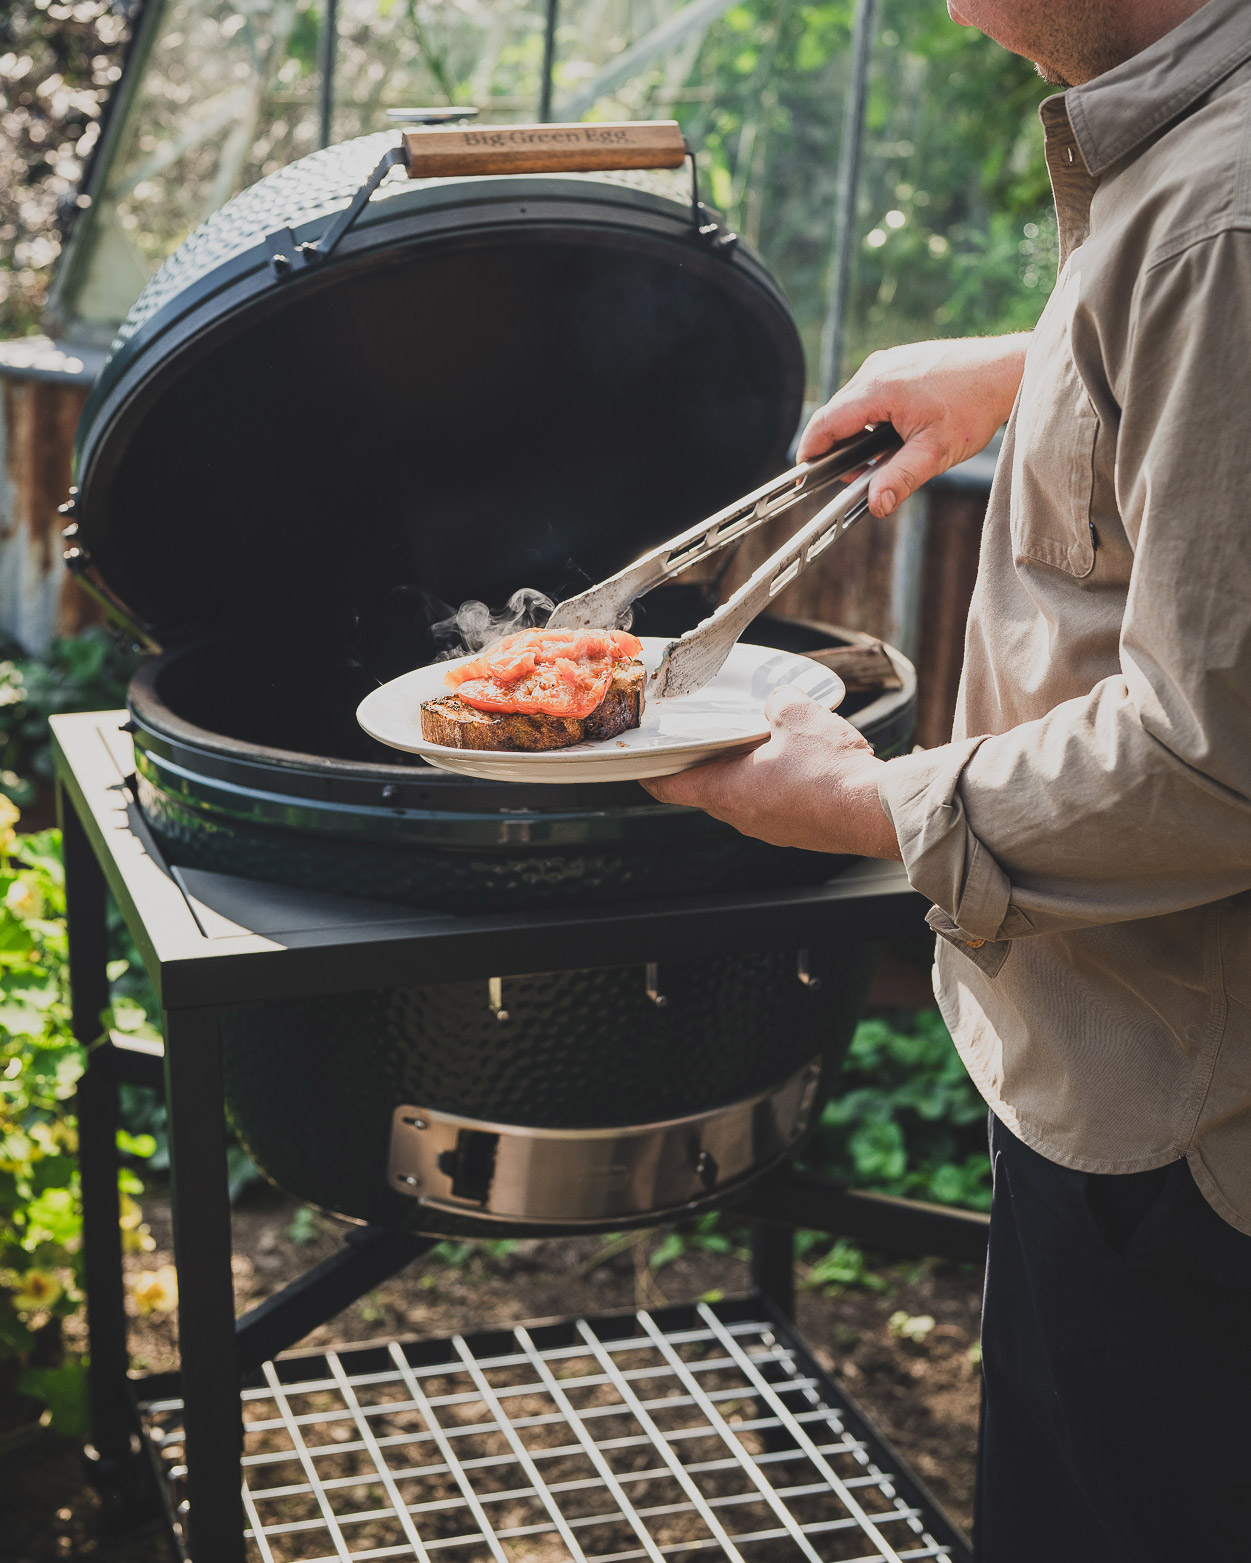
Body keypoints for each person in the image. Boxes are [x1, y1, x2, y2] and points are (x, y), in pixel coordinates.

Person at [644, 1, 1251, 1557]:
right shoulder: (1192, 170)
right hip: (1134, 1076)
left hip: (1185, 1142)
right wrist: (1036, 361)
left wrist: (861, 803)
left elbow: (1214, 760)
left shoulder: (1218, 228)